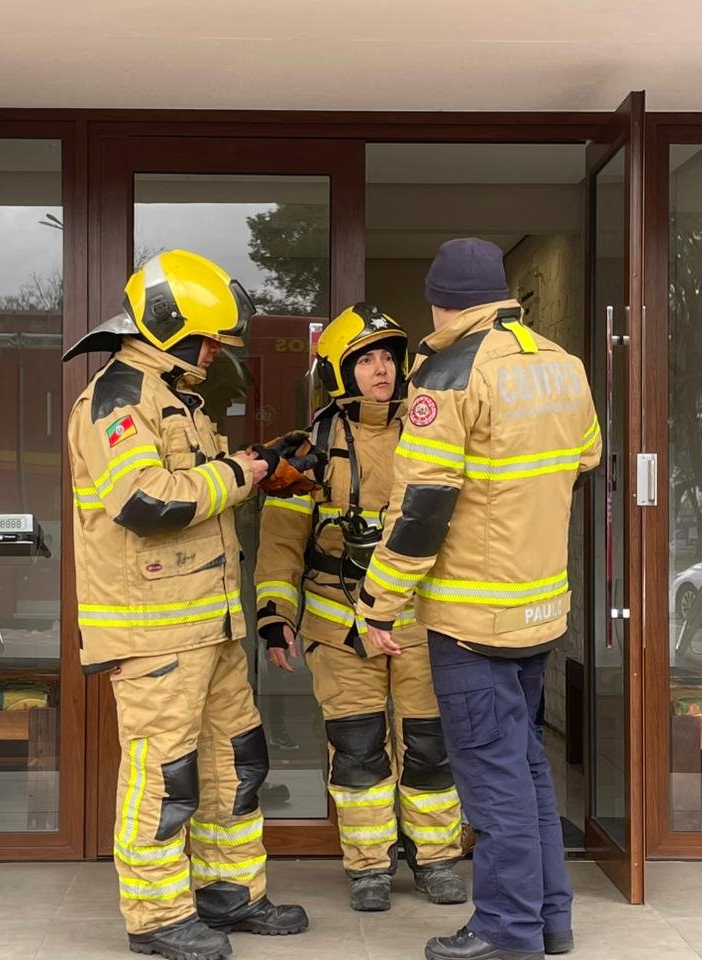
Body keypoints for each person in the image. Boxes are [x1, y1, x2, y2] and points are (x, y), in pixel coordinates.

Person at [356, 239, 602, 960]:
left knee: (494, 782)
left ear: (440, 300)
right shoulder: (563, 364)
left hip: (472, 621)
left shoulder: (447, 374)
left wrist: (379, 603)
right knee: (526, 766)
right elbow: (584, 456)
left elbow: (423, 508)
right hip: (539, 610)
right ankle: (550, 918)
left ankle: (506, 931)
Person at [64, 249, 309, 960]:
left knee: (238, 759)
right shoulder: (117, 400)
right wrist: (240, 473)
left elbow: (196, 483)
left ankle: (230, 894)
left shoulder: (173, 398)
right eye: (207, 340)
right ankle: (157, 917)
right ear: (171, 327)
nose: (212, 354)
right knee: (163, 777)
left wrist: (254, 467)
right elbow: (146, 500)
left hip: (208, 623)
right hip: (154, 631)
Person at [253, 303, 467, 913]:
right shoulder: (311, 450)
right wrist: (274, 614)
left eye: (388, 358)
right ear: (341, 374)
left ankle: (437, 858)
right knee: (357, 749)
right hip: (338, 624)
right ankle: (369, 866)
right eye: (366, 359)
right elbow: (282, 542)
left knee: (430, 748)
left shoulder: (432, 432)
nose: (382, 370)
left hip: (422, 621)